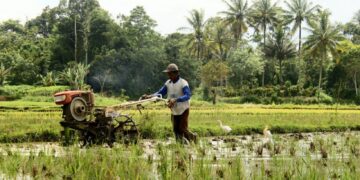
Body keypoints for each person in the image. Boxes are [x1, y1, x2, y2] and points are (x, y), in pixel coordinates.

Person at [146, 63, 197, 143]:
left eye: (170, 74)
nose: (169, 76)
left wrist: (176, 100)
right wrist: (150, 96)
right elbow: (160, 93)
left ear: (176, 73)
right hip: (174, 109)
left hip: (183, 109)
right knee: (175, 129)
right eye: (168, 74)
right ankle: (180, 146)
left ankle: (194, 138)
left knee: (182, 129)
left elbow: (188, 95)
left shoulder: (183, 83)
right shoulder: (168, 83)